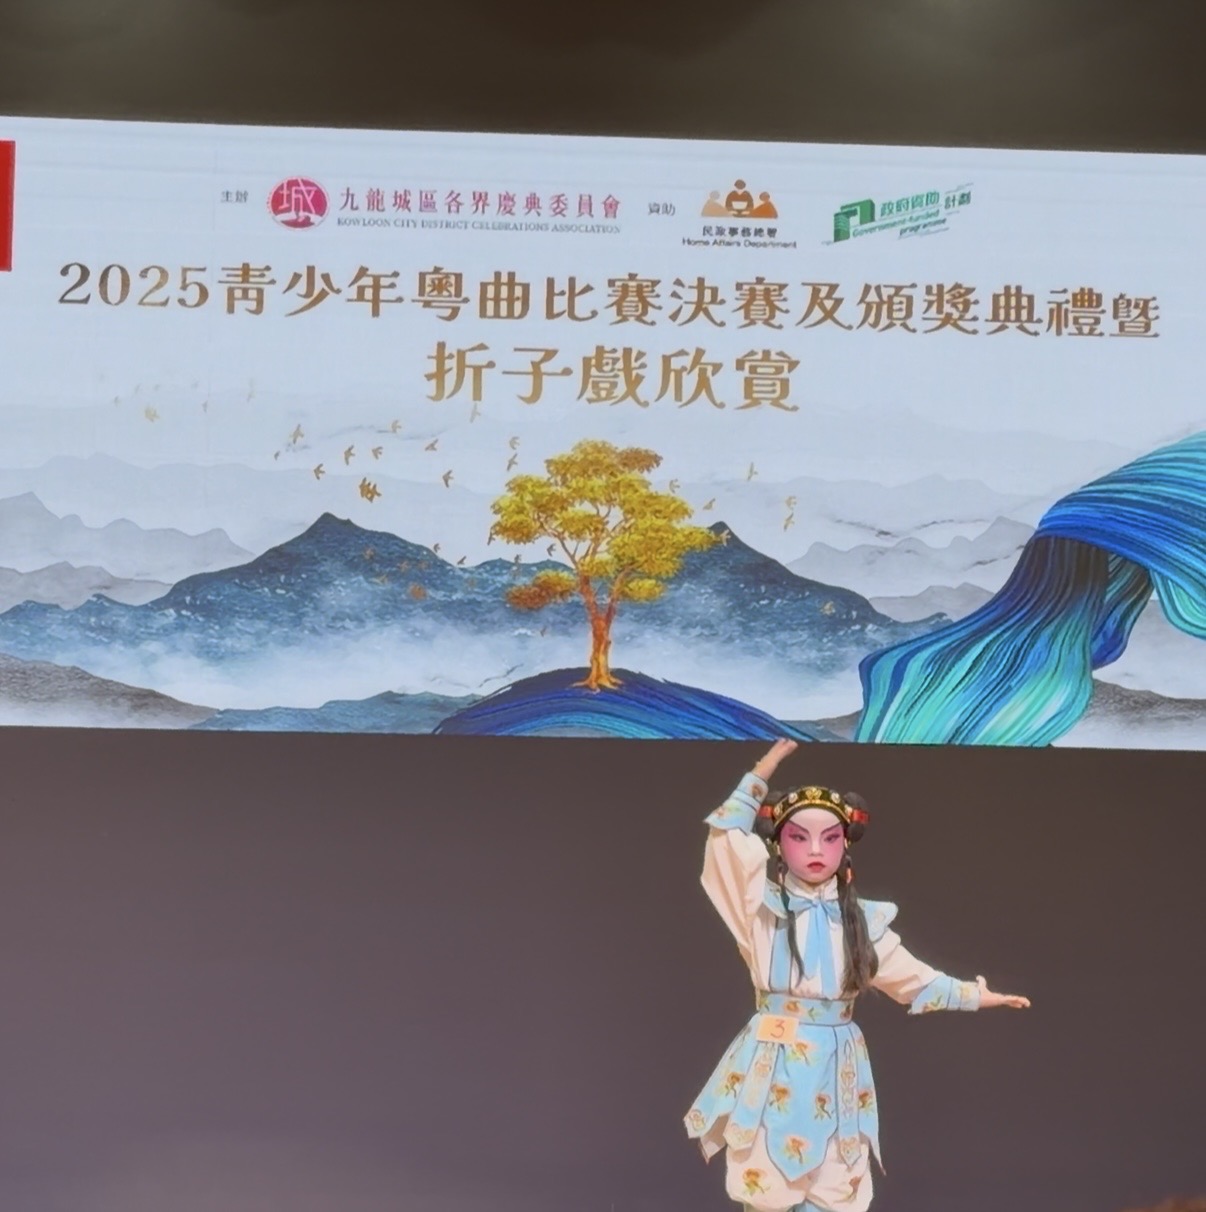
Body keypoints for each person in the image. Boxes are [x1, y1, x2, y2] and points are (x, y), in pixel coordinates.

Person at [684, 739, 1030, 1212]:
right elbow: (725, 844)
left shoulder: (861, 921)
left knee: (833, 1182)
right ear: (777, 843)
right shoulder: (758, 907)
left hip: (836, 1061)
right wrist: (761, 771)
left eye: (829, 837)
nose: (815, 849)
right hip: (774, 1055)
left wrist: (976, 995)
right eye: (799, 837)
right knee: (768, 1183)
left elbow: (913, 979)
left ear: (846, 843)